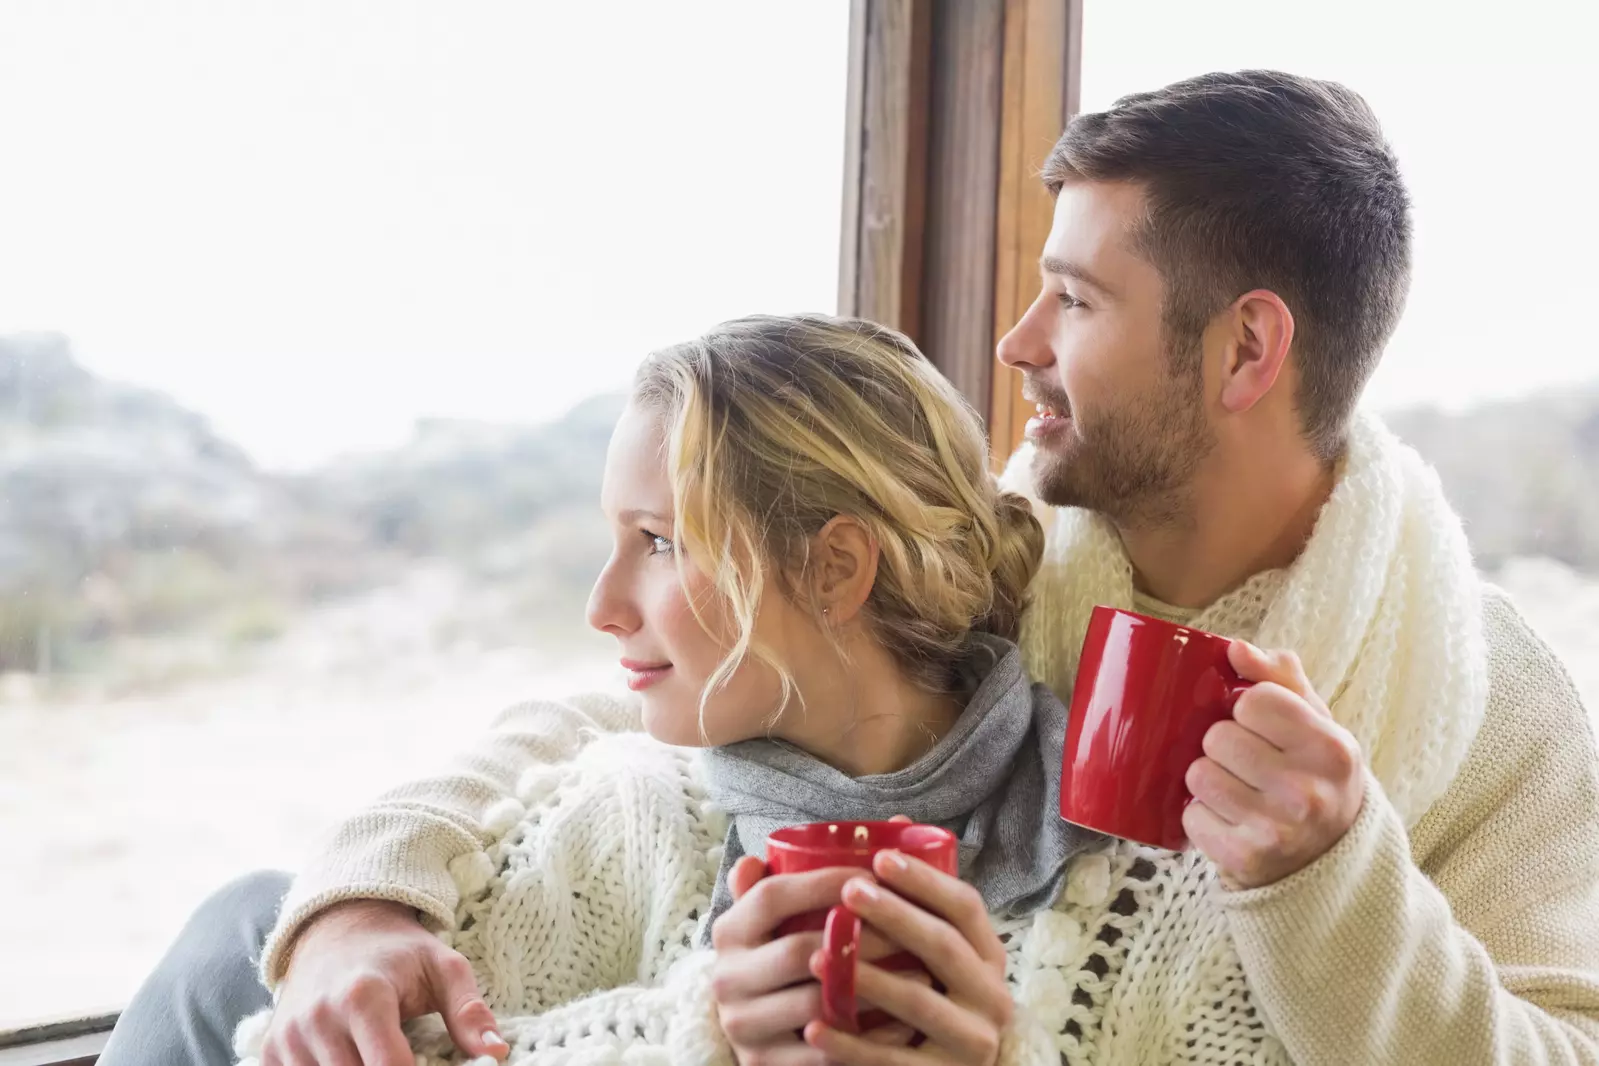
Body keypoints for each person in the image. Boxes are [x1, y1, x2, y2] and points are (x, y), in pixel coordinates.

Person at [101, 69, 1599, 1066]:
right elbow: (625, 717)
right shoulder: (1007, 561)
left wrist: (1331, 881)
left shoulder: (1482, 697)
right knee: (243, 921)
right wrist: (364, 896)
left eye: (1071, 298)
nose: (1014, 343)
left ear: (1245, 349)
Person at [242, 312, 1102, 1066]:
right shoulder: (616, 821)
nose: (601, 608)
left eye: (658, 542)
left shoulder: (1113, 854)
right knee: (237, 920)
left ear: (833, 567)